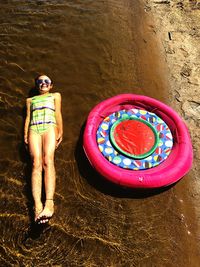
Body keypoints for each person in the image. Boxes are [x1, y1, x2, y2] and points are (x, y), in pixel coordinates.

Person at [24, 74, 63, 224]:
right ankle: (37, 206)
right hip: (34, 129)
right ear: (36, 85)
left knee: (48, 160)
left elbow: (58, 113)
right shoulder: (30, 100)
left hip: (49, 127)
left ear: (51, 85)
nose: (43, 83)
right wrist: (25, 135)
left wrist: (61, 130)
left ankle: (49, 203)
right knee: (35, 163)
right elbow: (28, 118)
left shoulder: (55, 95)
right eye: (40, 82)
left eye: (46, 81)